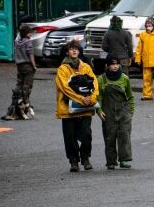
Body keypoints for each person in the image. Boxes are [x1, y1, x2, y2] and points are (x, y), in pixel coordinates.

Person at [55, 41, 99, 172]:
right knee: (70, 137)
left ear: (79, 52)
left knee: (86, 135)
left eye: (76, 49)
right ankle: (73, 161)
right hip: (67, 109)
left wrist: (91, 98)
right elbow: (65, 88)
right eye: (71, 49)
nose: (74, 51)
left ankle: (85, 158)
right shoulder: (62, 69)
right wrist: (81, 99)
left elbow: (95, 84)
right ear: (67, 52)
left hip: (85, 109)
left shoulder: (86, 67)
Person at [96, 56, 135, 169]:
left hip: (124, 112)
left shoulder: (124, 78)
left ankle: (124, 159)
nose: (115, 66)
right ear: (107, 66)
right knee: (109, 137)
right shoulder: (101, 79)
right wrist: (99, 110)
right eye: (112, 64)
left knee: (124, 136)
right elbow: (98, 97)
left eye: (117, 64)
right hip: (108, 113)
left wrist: (130, 112)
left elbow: (130, 97)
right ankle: (111, 161)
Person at [3, 24, 37, 120]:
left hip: (19, 66)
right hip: (27, 65)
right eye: (30, 32)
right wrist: (34, 66)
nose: (31, 34)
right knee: (27, 86)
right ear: (27, 33)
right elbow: (30, 55)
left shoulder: (17, 42)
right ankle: (26, 104)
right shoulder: (28, 42)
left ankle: (15, 101)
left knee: (19, 84)